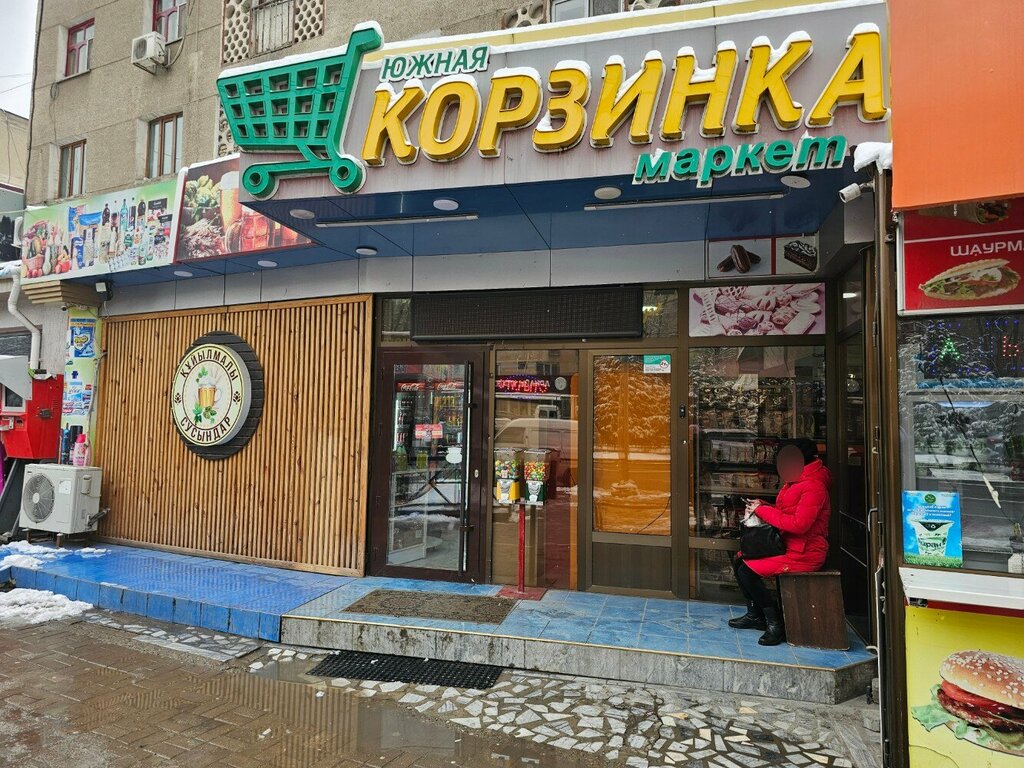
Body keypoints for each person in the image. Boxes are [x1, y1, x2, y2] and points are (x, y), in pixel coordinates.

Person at [728, 438, 831, 646]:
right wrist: (763, 505)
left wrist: (763, 511)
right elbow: (786, 512)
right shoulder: (797, 480)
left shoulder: (813, 486)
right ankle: (755, 614)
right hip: (789, 546)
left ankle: (775, 624)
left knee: (747, 571)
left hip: (805, 552)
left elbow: (799, 524)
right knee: (739, 560)